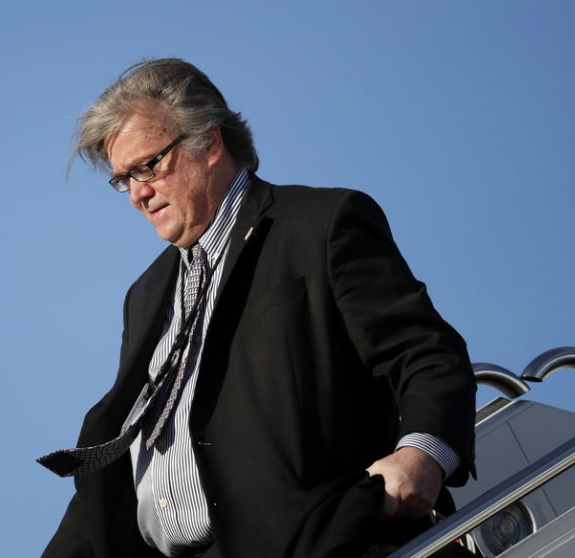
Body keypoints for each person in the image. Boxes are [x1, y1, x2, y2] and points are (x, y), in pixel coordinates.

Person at [38, 58, 476, 558]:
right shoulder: (145, 294)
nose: (137, 193)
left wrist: (424, 453)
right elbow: (119, 469)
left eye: (148, 166)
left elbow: (426, 353)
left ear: (209, 144)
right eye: (123, 179)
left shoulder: (321, 224)